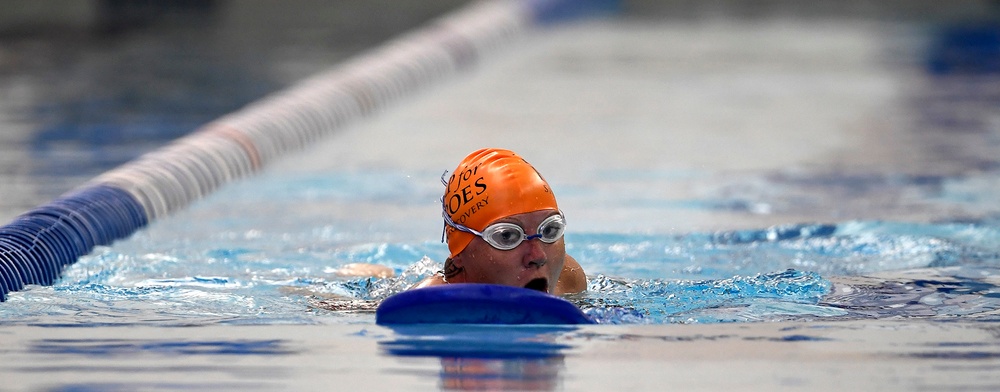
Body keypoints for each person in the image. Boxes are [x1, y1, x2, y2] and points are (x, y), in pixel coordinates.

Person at [412, 148, 587, 295]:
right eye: (507, 236)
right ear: (459, 253)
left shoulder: (568, 282)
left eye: (549, 230)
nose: (538, 256)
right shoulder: (422, 306)